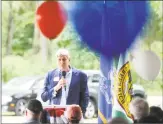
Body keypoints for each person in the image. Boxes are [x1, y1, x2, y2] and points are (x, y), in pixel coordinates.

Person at [41, 48, 89, 116]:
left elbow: (85, 97)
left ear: (69, 60)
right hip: (55, 114)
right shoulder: (50, 75)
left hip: (73, 115)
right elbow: (44, 97)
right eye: (59, 59)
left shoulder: (81, 75)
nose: (61, 62)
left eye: (64, 59)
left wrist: (81, 113)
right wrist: (56, 88)